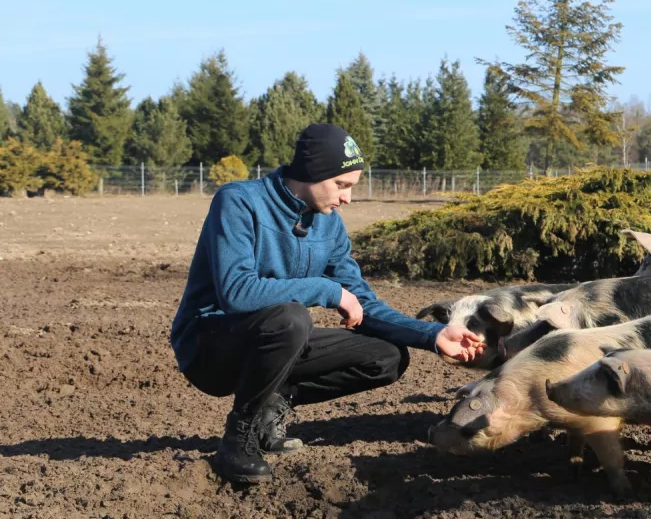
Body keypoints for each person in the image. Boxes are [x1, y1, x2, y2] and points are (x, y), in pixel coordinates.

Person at [171, 123, 483, 484]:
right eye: (342, 185)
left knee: (387, 357)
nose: (347, 198)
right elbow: (237, 292)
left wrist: (433, 334)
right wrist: (327, 290)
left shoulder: (329, 225)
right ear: (312, 173)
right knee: (291, 318)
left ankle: (272, 403)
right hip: (210, 346)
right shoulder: (239, 201)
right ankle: (238, 438)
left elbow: (362, 302)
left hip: (275, 340)